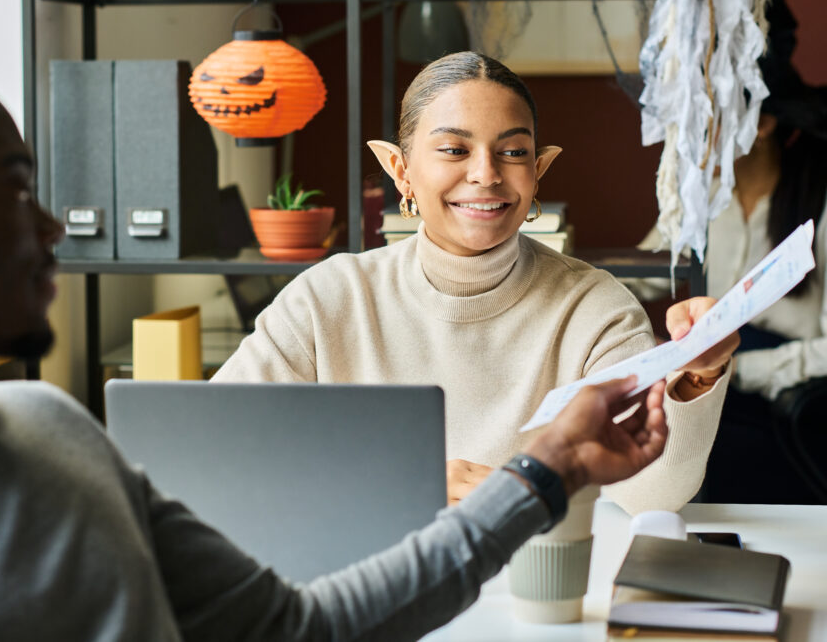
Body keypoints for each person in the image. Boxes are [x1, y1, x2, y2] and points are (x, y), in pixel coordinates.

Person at [0, 48, 672, 640]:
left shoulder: (52, 428)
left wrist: (542, 471)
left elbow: (302, 628)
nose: (51, 221)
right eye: (12, 188)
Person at [214, 51, 739, 514]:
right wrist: (402, 488)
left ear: (539, 170)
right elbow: (219, 446)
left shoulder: (594, 307)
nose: (486, 174)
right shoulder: (327, 299)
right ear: (399, 170)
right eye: (454, 150)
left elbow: (651, 494)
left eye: (512, 152)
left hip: (534, 586)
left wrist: (696, 377)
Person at [629, 0, 827, 503]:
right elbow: (645, 270)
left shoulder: (819, 205)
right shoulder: (701, 204)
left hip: (796, 398)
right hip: (720, 380)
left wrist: (743, 369)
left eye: (710, 111)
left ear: (761, 122)